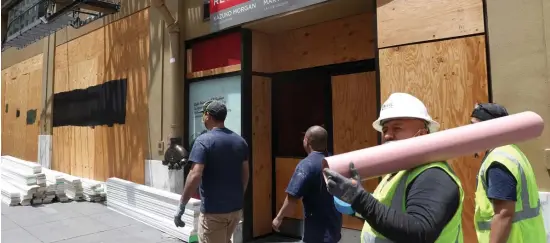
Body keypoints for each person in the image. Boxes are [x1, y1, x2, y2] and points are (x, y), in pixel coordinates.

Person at [323, 92, 465, 243]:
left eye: (397, 128)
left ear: (422, 134)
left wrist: (359, 199)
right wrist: (356, 206)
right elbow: (388, 214)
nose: (387, 136)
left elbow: (421, 232)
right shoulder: (399, 172)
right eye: (385, 130)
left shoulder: (433, 175)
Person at [174, 100, 250, 243]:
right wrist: (238, 196)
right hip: (235, 210)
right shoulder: (240, 142)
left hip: (214, 213)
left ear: (208, 116)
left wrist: (182, 205)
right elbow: (245, 174)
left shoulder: (203, 141)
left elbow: (195, 175)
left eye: (204, 114)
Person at [470, 103, 546, 243]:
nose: (469, 132)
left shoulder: (498, 161)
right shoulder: (512, 152)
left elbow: (503, 214)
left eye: (475, 126)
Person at [272, 125, 342, 243]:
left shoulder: (306, 165)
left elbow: (292, 197)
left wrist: (278, 218)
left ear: (307, 141)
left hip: (316, 234)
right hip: (334, 228)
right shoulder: (334, 161)